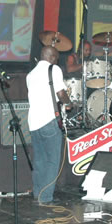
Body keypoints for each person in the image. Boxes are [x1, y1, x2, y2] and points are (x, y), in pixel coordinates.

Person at [27, 46, 73, 203]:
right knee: (52, 162)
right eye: (57, 57)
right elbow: (61, 93)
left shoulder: (30, 75)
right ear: (52, 57)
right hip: (48, 122)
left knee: (39, 160)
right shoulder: (54, 69)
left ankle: (38, 193)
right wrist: (69, 102)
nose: (57, 60)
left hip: (33, 123)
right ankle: (45, 198)